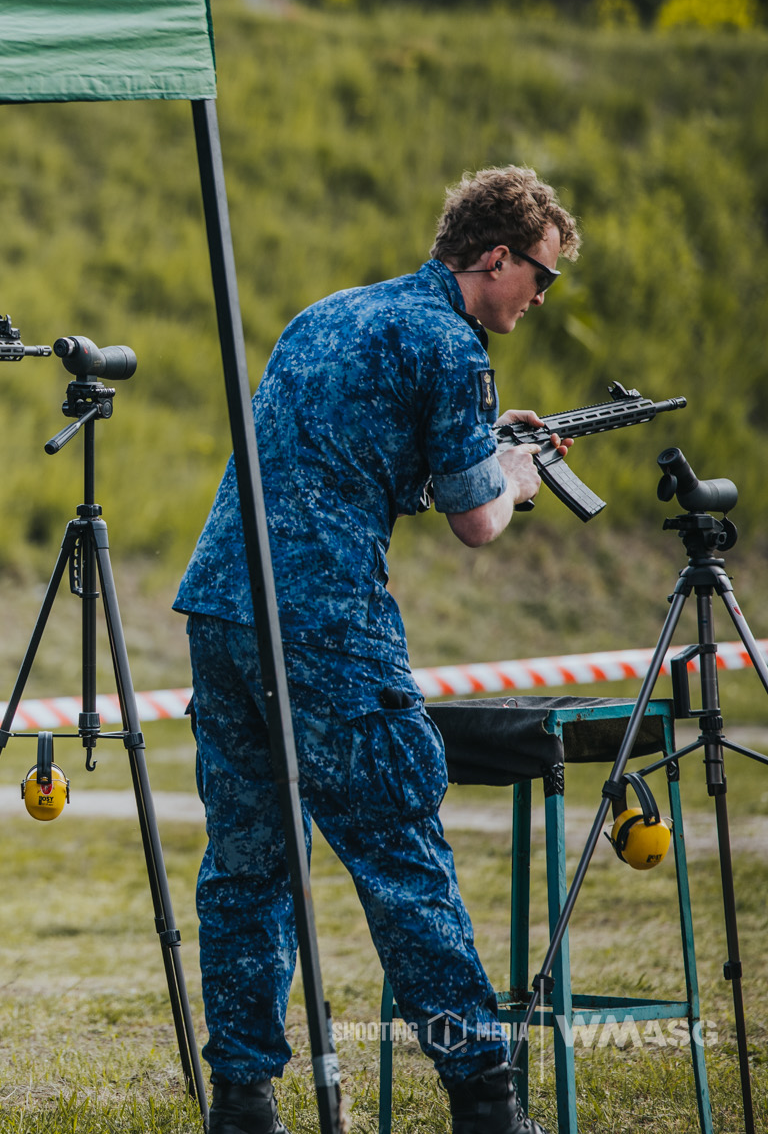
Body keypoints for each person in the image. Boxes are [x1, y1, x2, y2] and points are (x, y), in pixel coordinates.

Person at [174, 167, 578, 1134]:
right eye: (541, 275)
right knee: (403, 854)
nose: (540, 294)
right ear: (495, 258)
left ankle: (244, 1099)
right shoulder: (451, 340)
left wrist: (481, 438)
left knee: (247, 864)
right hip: (325, 622)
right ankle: (485, 1097)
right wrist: (514, 477)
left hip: (224, 607)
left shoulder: (329, 313)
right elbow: (476, 517)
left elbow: (351, 449)